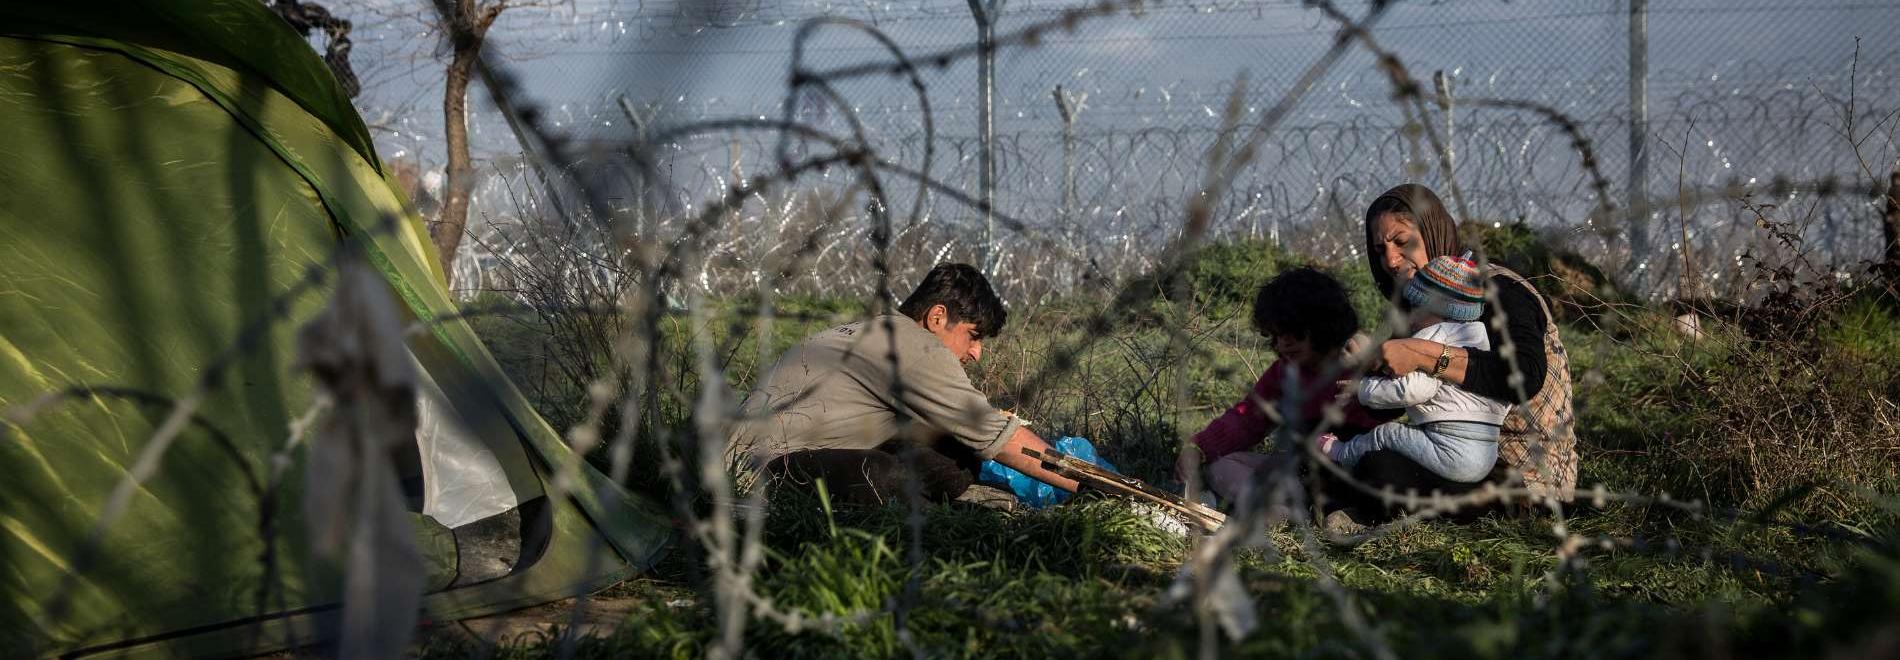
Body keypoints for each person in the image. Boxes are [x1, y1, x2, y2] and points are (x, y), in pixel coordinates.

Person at [723, 263, 1078, 506]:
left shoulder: (878, 331)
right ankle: (931, 516)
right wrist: (1094, 488)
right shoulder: (914, 346)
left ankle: (924, 508)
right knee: (881, 475)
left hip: (758, 459)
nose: (976, 353)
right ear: (937, 317)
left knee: (951, 455)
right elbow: (1001, 439)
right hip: (757, 476)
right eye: (973, 335)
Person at [1357, 183, 1579, 507]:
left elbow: (1525, 375)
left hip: (1525, 475)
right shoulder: (1419, 304)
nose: (1391, 260)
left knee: (1378, 468)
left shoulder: (1499, 289)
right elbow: (1389, 400)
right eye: (1380, 250)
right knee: (1358, 452)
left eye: (1402, 242)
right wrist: (1365, 366)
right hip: (1448, 451)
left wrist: (1425, 356)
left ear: (1433, 233)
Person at [1177, 267, 1384, 504]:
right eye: (1276, 334)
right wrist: (1200, 447)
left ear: (1322, 324)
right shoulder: (1283, 373)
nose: (1284, 343)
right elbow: (1247, 420)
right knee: (1222, 467)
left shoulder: (1361, 364)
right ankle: (1282, 512)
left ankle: (1276, 512)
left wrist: (1373, 366)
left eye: (1293, 331)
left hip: (1351, 471)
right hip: (1298, 476)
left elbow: (1402, 401)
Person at [1322, 254, 1510, 484]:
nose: (1410, 317)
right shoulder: (1478, 339)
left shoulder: (1433, 337)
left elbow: (1411, 390)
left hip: (1451, 448)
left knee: (1387, 433)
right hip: (1485, 453)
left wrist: (1362, 389)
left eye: (1415, 307)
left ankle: (1340, 454)